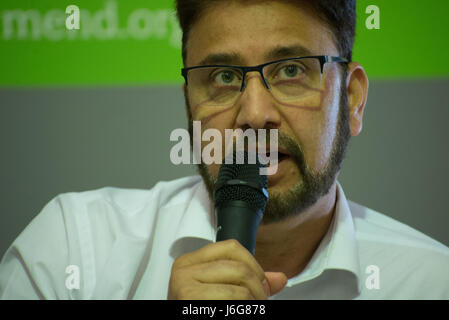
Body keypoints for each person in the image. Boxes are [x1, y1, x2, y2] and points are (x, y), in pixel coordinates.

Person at [1, 0, 448, 300]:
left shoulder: (431, 282)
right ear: (189, 102)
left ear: (351, 101)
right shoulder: (71, 250)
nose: (254, 115)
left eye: (291, 70)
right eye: (223, 77)